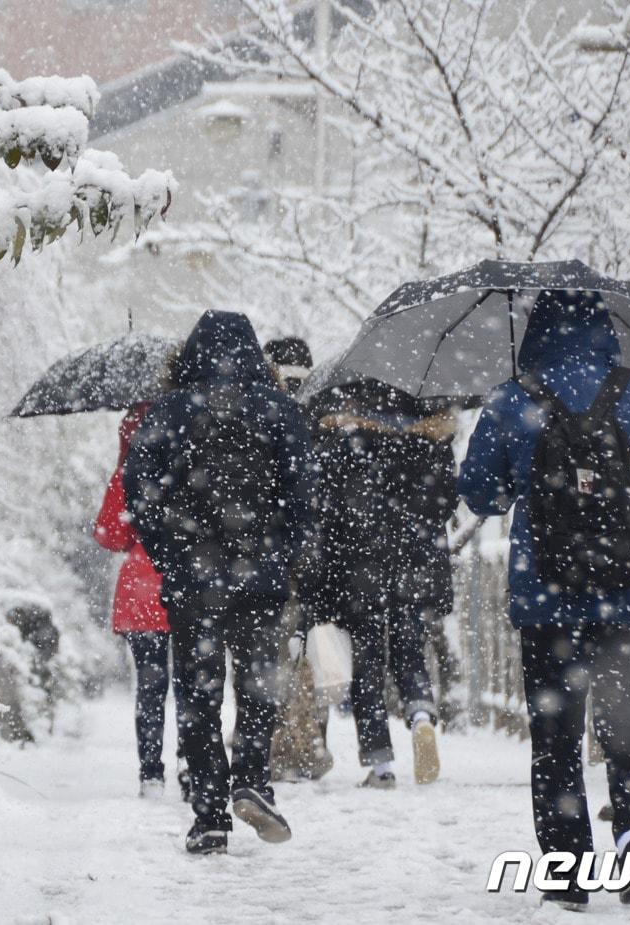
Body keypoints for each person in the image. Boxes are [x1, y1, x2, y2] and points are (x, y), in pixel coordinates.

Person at [459, 290, 630, 909]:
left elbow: (481, 494)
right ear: (604, 328)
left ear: (536, 330)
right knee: (626, 720)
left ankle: (567, 869)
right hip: (629, 597)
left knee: (555, 734)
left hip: (547, 598)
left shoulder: (516, 398)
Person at [124, 310, 318, 855]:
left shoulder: (169, 412)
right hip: (261, 578)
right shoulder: (278, 410)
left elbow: (139, 495)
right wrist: (283, 557)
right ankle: (252, 778)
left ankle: (209, 813)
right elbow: (305, 496)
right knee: (257, 687)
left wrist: (171, 556)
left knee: (197, 693)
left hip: (194, 581)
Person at [302, 378, 454, 789]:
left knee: (367, 665)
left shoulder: (346, 442)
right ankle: (421, 715)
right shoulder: (431, 437)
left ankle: (381, 763)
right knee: (410, 651)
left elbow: (324, 508)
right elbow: (447, 500)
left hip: (361, 566)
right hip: (416, 564)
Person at [93, 402, 189, 800]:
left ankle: (151, 773)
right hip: (187, 585)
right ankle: (190, 761)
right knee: (190, 684)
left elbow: (109, 535)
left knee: (150, 685)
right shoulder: (191, 462)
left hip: (143, 589)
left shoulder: (129, 471)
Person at [262, 336, 336, 783]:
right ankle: (309, 741)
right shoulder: (324, 409)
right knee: (312, 651)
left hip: (268, 552)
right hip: (318, 552)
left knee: (269, 649)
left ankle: (271, 740)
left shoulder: (263, 411)